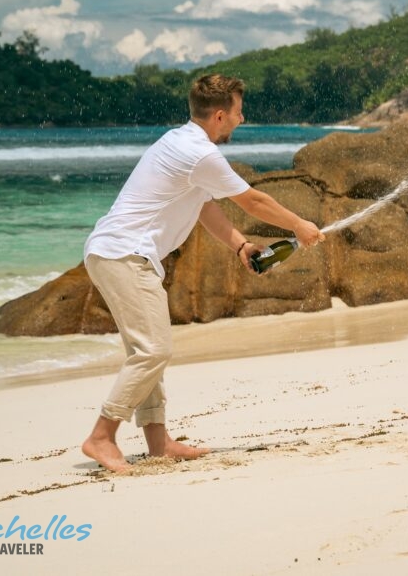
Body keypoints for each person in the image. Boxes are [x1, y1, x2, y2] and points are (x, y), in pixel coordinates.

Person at [81, 73, 325, 472]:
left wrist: (241, 246)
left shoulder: (180, 142)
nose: (241, 120)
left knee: (147, 353)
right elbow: (253, 201)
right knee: (154, 351)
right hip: (124, 254)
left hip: (116, 253)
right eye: (238, 112)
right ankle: (101, 436)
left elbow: (205, 207)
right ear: (218, 116)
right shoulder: (200, 154)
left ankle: (158, 441)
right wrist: (298, 224)